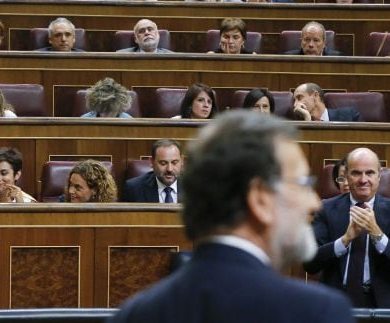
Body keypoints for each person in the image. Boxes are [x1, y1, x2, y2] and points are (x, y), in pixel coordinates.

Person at [110, 110, 354, 323]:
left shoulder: (136, 314)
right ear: (260, 199)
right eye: (302, 184)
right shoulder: (317, 313)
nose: (313, 203)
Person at [305, 148, 390, 308]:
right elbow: (310, 263)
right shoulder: (326, 209)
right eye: (356, 173)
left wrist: (377, 234)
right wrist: (344, 240)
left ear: (379, 176)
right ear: (346, 177)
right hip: (335, 301)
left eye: (370, 173)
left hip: (383, 305)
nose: (363, 180)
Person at [292, 82, 362, 121]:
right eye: (294, 100)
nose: (295, 105)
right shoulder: (297, 122)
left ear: (315, 95)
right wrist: (307, 119)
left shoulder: (349, 115)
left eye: (299, 98)